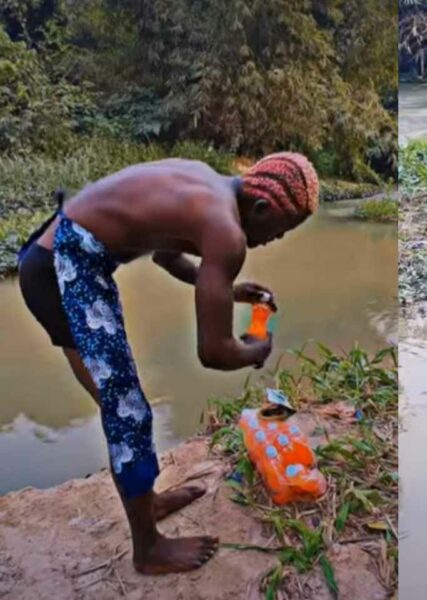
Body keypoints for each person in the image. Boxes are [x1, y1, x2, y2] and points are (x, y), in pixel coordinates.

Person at [16, 153, 319, 574]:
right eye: (281, 232)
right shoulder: (226, 232)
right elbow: (213, 352)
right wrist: (257, 347)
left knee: (121, 405)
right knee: (126, 410)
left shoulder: (207, 184)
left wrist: (226, 290)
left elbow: (165, 256)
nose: (274, 240)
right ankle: (148, 549)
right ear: (263, 208)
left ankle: (148, 502)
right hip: (60, 269)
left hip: (57, 250)